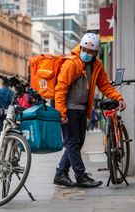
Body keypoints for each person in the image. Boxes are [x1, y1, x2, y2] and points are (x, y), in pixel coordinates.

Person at [53, 33, 126, 188]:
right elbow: (60, 89)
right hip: (69, 108)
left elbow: (105, 85)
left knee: (77, 143)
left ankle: (60, 173)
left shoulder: (96, 65)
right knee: (73, 143)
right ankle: (80, 176)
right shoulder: (71, 63)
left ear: (96, 53)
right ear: (80, 47)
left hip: (81, 109)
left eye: (90, 51)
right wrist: (62, 112)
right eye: (84, 49)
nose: (86, 53)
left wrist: (118, 97)